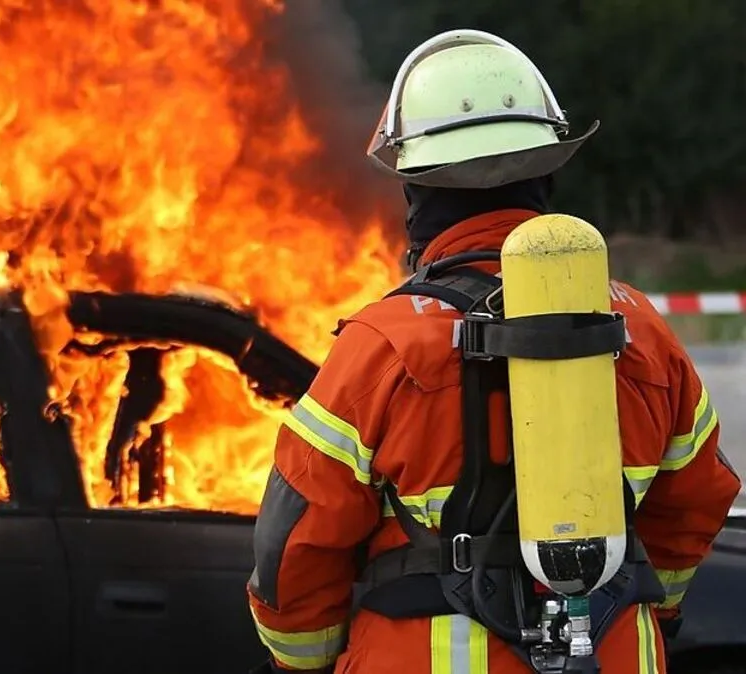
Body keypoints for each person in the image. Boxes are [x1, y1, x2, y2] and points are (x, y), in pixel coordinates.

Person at [245, 29, 741, 674]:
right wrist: (651, 611)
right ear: (546, 173)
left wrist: (300, 663)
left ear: (415, 189)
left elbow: (295, 545)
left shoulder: (384, 344)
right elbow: (697, 501)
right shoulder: (641, 328)